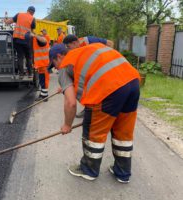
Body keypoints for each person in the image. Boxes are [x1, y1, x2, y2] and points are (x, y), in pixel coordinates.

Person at [49, 44, 140, 183]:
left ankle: (88, 170)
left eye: (54, 63)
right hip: (132, 82)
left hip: (108, 89)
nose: (55, 68)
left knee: (93, 132)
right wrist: (65, 87)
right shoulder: (83, 52)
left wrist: (67, 125)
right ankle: (122, 173)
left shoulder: (64, 66)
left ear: (59, 56)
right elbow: (88, 73)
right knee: (123, 132)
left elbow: (71, 103)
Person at [63, 34, 114, 118]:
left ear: (75, 43)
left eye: (68, 47)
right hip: (90, 71)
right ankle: (88, 109)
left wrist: (108, 58)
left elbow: (110, 43)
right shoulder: (75, 49)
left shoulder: (89, 40)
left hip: (102, 69)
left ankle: (103, 110)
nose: (68, 50)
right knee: (86, 90)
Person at [4, 6, 36, 78]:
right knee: (28, 57)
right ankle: (30, 74)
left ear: (27, 10)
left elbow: (8, 22)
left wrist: (5, 19)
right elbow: (32, 30)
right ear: (33, 13)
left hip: (17, 40)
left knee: (20, 57)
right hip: (27, 40)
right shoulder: (32, 18)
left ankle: (21, 74)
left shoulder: (19, 14)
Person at [30, 32, 50, 101]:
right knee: (42, 81)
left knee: (44, 81)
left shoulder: (41, 40)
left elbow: (43, 40)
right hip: (41, 66)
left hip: (44, 65)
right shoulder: (36, 41)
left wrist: (34, 35)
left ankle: (44, 96)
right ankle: (43, 94)